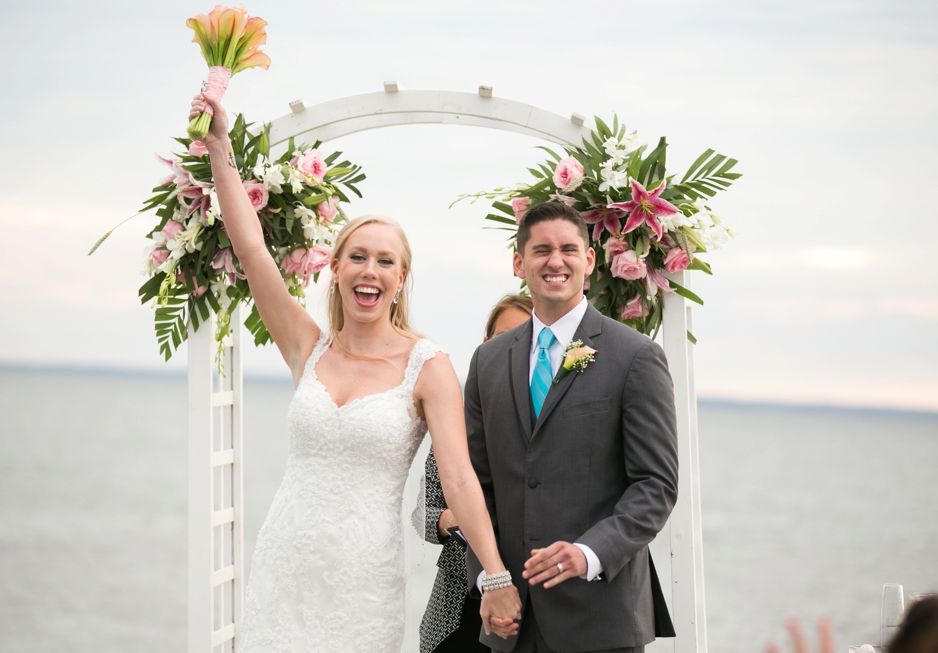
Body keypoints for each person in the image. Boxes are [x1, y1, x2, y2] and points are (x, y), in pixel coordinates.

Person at [188, 92, 521, 653]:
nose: (371, 271)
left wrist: (495, 575)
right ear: (335, 268)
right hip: (285, 564)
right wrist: (219, 147)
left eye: (385, 261)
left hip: (362, 581)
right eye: (359, 256)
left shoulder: (428, 365)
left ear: (402, 278)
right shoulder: (306, 347)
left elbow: (460, 481)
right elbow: (250, 249)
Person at [465, 202, 679, 652]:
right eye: (541, 250)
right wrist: (489, 578)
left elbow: (655, 485)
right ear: (519, 263)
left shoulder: (634, 356)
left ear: (589, 260)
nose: (555, 261)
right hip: (511, 621)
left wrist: (588, 554)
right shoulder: (487, 361)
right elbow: (476, 485)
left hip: (601, 620)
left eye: (568, 249)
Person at [416, 294, 534, 653]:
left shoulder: (551, 429)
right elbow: (421, 515)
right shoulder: (456, 427)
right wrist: (451, 520)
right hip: (456, 610)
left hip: (526, 609)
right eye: (501, 338)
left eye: (524, 339)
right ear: (485, 345)